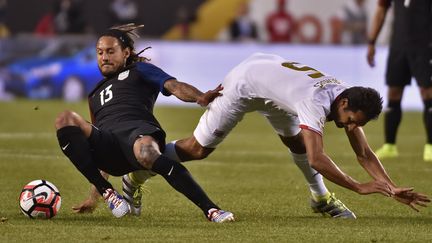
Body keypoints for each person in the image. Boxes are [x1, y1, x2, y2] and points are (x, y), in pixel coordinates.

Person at [158, 53, 428, 216]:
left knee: (297, 142)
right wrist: (358, 187)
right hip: (245, 83)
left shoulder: (348, 95)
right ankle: (147, 162)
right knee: (198, 150)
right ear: (344, 104)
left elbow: (364, 153)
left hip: (273, 84)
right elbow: (317, 159)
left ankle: (320, 199)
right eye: (350, 121)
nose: (349, 127)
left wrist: (391, 189)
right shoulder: (315, 101)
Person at [55, 23, 234, 223]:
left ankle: (211, 210)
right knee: (65, 118)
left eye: (110, 51)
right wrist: (92, 197)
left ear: (126, 52)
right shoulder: (94, 94)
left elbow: (173, 86)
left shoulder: (139, 70)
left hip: (138, 135)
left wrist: (199, 97)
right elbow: (98, 137)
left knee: (147, 152)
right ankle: (108, 193)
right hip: (110, 148)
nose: (104, 57)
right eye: (100, 52)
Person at [367, 0, 432, 161]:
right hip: (398, 46)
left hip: (425, 46)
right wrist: (371, 41)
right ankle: (390, 146)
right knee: (393, 93)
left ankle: (430, 146)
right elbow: (381, 10)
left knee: (428, 93)